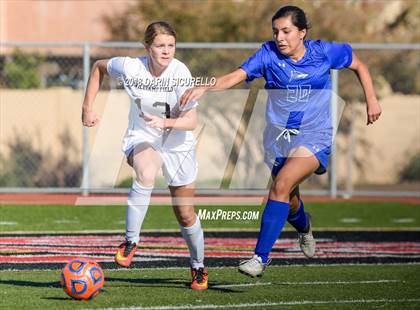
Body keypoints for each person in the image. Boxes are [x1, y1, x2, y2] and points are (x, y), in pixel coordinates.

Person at [180, 6, 382, 277]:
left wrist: (371, 98)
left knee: (282, 184)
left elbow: (359, 64)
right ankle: (304, 227)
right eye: (276, 31)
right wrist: (206, 85)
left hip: (316, 134)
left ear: (302, 32)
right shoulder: (267, 54)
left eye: (286, 31)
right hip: (279, 137)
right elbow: (235, 76)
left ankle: (259, 259)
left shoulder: (323, 52)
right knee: (289, 198)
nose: (280, 37)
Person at [81, 21, 208, 290]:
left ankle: (198, 266)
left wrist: (166, 124)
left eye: (171, 46)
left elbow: (192, 120)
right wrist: (87, 107)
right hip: (142, 138)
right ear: (147, 47)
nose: (166, 51)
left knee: (185, 214)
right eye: (160, 46)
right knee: (147, 172)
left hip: (178, 144)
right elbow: (99, 67)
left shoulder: (180, 73)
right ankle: (131, 242)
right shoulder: (130, 67)